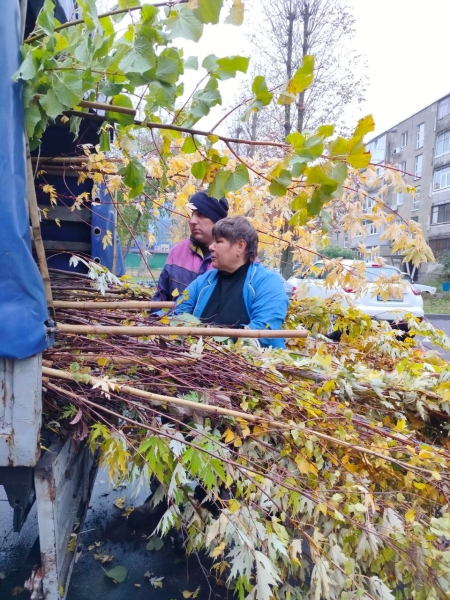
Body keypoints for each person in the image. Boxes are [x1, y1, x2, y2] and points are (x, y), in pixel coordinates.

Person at [172, 216, 289, 348]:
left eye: (219, 241)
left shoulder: (267, 283)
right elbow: (178, 315)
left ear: (240, 246)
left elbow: (262, 334)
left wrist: (208, 345)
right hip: (199, 360)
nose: (211, 247)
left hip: (250, 364)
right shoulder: (204, 280)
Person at [153, 191, 229, 301]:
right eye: (191, 214)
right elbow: (160, 298)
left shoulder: (234, 258)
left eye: (201, 215)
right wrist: (158, 317)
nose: (192, 221)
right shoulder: (177, 251)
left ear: (217, 220)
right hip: (174, 318)